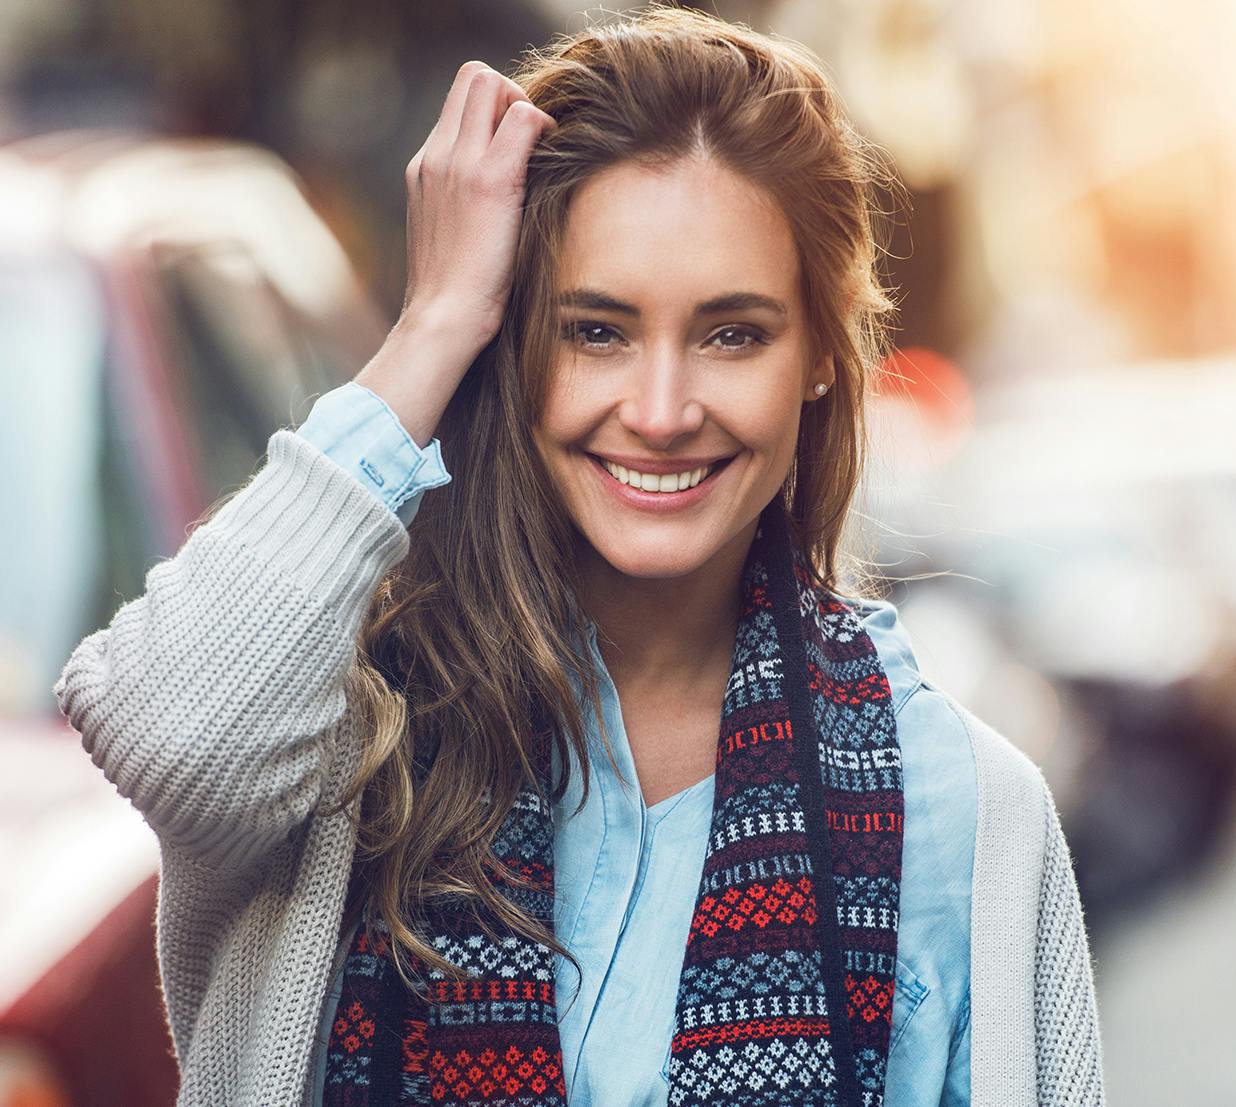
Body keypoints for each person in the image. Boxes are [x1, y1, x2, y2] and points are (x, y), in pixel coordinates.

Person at [53, 6, 1105, 1106]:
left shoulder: (965, 809)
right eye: (594, 330)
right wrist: (434, 323)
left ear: (820, 359)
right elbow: (166, 736)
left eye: (732, 333)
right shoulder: (338, 739)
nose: (659, 411)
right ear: (515, 343)